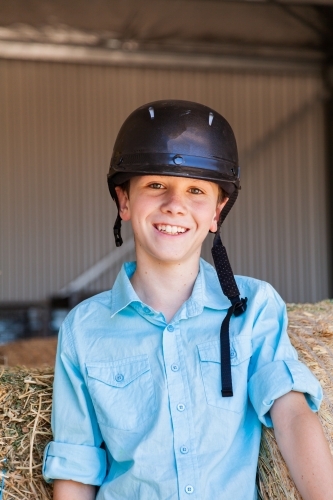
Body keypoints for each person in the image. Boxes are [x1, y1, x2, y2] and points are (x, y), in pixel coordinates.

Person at [43, 100, 333, 500]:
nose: (174, 204)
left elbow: (292, 416)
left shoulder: (255, 306)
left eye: (195, 190)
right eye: (155, 185)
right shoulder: (84, 329)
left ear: (218, 210)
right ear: (124, 201)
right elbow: (77, 466)